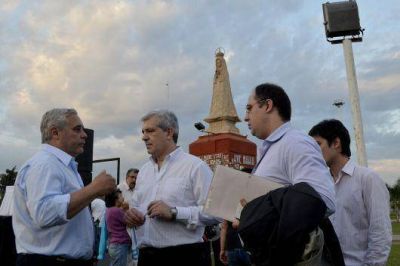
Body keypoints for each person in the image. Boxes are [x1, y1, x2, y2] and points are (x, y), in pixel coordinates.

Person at [240, 83, 336, 265]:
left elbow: (323, 199)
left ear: (267, 106)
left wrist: (261, 213)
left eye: (249, 108)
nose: (245, 117)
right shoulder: (268, 149)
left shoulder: (295, 142)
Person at [12, 108, 116, 266]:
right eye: (77, 129)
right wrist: (93, 189)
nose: (84, 134)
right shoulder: (45, 164)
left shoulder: (62, 166)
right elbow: (44, 213)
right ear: (55, 133)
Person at [124, 110, 217, 266]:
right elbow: (136, 208)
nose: (144, 137)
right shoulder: (144, 171)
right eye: (143, 132)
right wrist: (132, 216)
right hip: (146, 256)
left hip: (185, 256)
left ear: (169, 132)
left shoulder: (195, 167)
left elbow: (214, 212)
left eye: (150, 131)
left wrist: (175, 212)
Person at [309, 119, 392, 265]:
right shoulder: (321, 185)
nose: (312, 151)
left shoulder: (368, 179)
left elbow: (381, 234)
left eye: (317, 144)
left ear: (336, 143)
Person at [105, 189, 132, 266]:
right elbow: (129, 221)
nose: (123, 198)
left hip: (114, 243)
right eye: (121, 196)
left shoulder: (109, 210)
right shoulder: (117, 211)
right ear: (116, 199)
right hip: (120, 244)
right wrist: (127, 209)